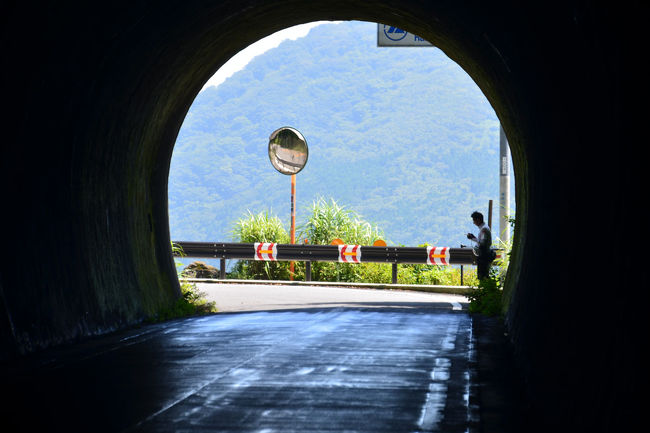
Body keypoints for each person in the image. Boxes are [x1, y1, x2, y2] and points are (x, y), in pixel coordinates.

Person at [466, 211, 495, 280]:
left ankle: (484, 288)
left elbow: (483, 243)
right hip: (485, 254)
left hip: (484, 255)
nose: (474, 223)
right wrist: (474, 238)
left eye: (474, 220)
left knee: (482, 275)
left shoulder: (484, 229)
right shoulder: (485, 227)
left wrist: (473, 238)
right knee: (484, 274)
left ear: (478, 220)